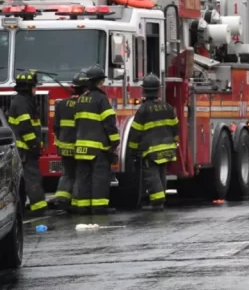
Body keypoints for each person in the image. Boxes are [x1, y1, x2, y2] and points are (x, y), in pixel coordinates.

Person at [127, 74, 180, 210]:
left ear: (144, 90)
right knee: (161, 173)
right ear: (158, 90)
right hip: (168, 148)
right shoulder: (167, 107)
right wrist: (174, 142)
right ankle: (160, 199)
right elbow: (176, 127)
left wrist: (133, 151)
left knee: (152, 174)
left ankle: (157, 201)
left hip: (151, 150)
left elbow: (135, 132)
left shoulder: (143, 110)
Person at [72, 65, 120, 215]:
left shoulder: (80, 99)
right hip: (98, 148)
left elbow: (76, 123)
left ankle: (83, 207)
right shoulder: (101, 99)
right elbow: (109, 123)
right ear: (100, 82)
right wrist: (114, 141)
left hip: (80, 147)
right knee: (100, 177)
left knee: (83, 177)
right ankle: (99, 207)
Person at [8, 70, 47, 216]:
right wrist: (34, 145)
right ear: (28, 87)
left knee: (25, 179)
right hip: (25, 150)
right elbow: (25, 128)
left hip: (23, 149)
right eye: (34, 87)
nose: (36, 90)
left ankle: (25, 208)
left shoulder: (22, 101)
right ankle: (39, 209)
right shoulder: (22, 103)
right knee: (32, 178)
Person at [50, 70, 88, 210]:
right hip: (79, 146)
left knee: (67, 174)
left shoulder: (61, 104)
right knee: (79, 174)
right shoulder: (84, 104)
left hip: (64, 146)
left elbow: (55, 126)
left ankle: (61, 198)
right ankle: (76, 201)